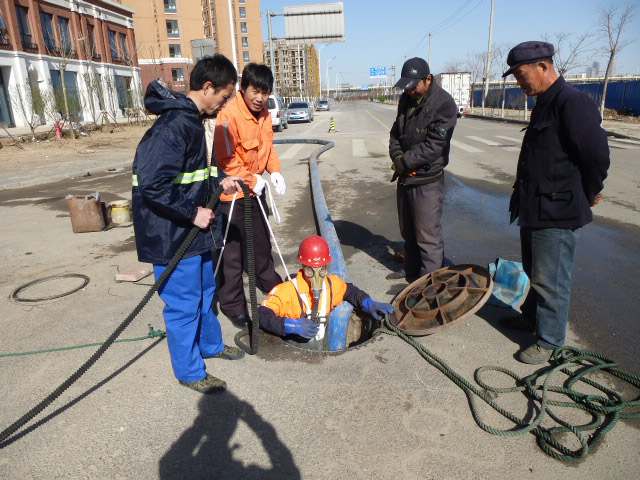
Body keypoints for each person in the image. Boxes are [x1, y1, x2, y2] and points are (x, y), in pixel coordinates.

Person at [132, 55, 246, 395]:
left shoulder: (194, 122)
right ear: (207, 87)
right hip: (172, 235)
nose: (224, 104)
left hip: (193, 232)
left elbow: (194, 174)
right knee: (183, 304)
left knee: (206, 293)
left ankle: (210, 345)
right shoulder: (174, 126)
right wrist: (192, 212)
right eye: (224, 96)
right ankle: (190, 371)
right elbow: (151, 183)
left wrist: (221, 180)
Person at [500, 41, 610, 364]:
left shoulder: (572, 102)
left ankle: (549, 341)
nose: (519, 82)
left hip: (558, 211)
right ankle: (531, 318)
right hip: (534, 207)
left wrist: (589, 193)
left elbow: (596, 156)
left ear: (544, 66)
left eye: (521, 75)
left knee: (552, 280)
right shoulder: (545, 102)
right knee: (535, 272)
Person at [214, 63, 286, 324]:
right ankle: (233, 306)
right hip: (232, 197)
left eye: (265, 93)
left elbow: (268, 148)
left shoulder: (264, 114)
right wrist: (251, 179)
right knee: (232, 256)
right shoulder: (229, 115)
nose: (260, 98)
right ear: (243, 89)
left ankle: (271, 286)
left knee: (261, 244)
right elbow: (226, 159)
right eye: (255, 91)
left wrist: (274, 171)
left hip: (255, 193)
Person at [386, 57, 458, 282]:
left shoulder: (444, 104)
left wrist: (404, 163)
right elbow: (395, 133)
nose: (409, 91)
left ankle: (428, 285)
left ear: (428, 79)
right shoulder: (406, 99)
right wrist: (398, 158)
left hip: (427, 179)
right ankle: (410, 270)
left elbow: (434, 146)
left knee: (427, 237)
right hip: (405, 176)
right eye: (405, 87)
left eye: (413, 86)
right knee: (408, 231)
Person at [259, 236, 395, 339]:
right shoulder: (286, 292)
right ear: (303, 267)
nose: (317, 277)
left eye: (322, 270)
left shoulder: (332, 284)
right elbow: (261, 315)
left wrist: (368, 303)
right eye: (311, 271)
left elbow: (351, 292)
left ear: (326, 268)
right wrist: (289, 326)